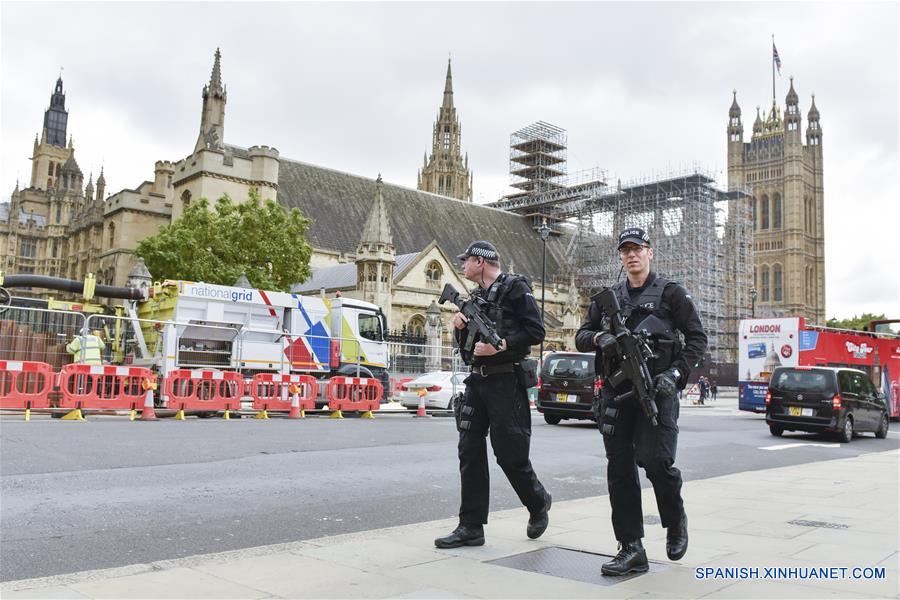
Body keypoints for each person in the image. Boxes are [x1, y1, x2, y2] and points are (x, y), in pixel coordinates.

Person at [576, 227, 707, 576]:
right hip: (617, 394)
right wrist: (600, 337)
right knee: (619, 471)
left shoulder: (671, 294)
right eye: (625, 250)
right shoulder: (608, 298)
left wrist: (675, 375)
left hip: (656, 390)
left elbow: (697, 339)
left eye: (638, 249)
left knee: (656, 461)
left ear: (650, 252)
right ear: (620, 257)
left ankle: (675, 519)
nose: (631, 255)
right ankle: (631, 547)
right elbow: (581, 335)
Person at [434, 240, 552, 549]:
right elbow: (467, 350)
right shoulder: (476, 297)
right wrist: (460, 326)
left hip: (505, 382)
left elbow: (536, 332)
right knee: (469, 449)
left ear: (481, 262)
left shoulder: (516, 287)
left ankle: (538, 502)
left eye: (467, 261)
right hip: (477, 382)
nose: (463, 266)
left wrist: (501, 345)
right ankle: (471, 526)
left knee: (510, 455)